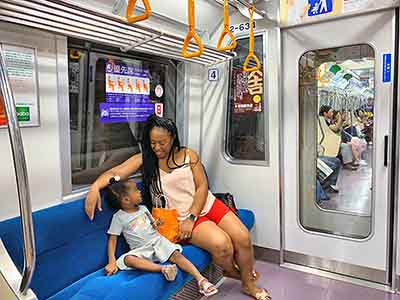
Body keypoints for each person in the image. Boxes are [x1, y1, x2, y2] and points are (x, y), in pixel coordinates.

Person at [85, 115, 271, 300]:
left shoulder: (188, 155)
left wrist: (192, 217)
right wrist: (95, 187)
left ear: (173, 138)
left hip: (205, 205)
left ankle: (248, 285)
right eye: (152, 143)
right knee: (223, 246)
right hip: (179, 217)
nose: (157, 148)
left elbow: (201, 187)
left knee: (243, 237)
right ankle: (235, 274)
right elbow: (116, 173)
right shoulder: (145, 159)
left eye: (162, 142)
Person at [104, 177, 218, 297]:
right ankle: (163, 269)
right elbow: (112, 240)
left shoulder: (143, 209)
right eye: (135, 190)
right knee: (128, 259)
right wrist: (112, 261)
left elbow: (152, 225)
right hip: (141, 249)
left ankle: (201, 280)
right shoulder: (119, 217)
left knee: (177, 255)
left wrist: (156, 224)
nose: (139, 192)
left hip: (157, 241)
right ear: (126, 200)